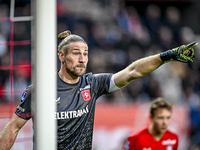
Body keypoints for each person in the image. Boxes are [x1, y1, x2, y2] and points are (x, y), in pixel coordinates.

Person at [0, 30, 198, 150]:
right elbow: (13, 126)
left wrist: (165, 57)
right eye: (76, 53)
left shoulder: (92, 84)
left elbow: (132, 71)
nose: (82, 59)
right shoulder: (41, 89)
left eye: (85, 53)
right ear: (61, 55)